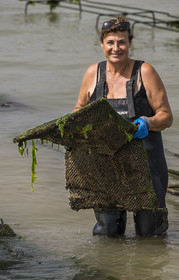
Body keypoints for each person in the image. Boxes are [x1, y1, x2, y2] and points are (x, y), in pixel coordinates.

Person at [73, 16, 173, 237]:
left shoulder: (144, 72)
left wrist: (148, 122)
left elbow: (166, 116)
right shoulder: (93, 73)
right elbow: (79, 109)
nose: (116, 48)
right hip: (105, 166)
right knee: (108, 232)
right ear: (102, 44)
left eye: (122, 42)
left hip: (147, 166)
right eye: (110, 42)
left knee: (150, 234)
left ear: (130, 43)